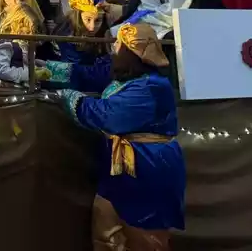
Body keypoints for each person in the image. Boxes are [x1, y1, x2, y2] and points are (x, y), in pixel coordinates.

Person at [58, 17, 185, 250]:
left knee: (145, 237)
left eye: (118, 46)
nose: (113, 50)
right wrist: (46, 70)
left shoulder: (152, 87)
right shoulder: (129, 79)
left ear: (130, 52)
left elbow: (109, 116)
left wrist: (71, 98)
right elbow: (89, 75)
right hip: (119, 168)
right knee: (107, 230)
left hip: (147, 168)